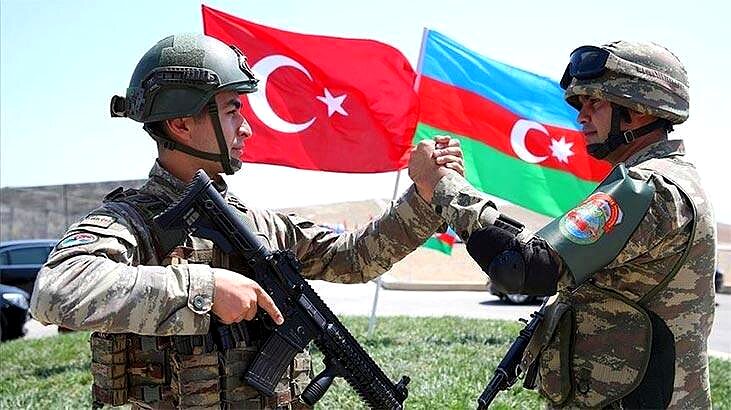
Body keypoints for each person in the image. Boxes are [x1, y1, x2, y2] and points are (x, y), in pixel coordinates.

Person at [29, 33, 464, 409]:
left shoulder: (258, 226)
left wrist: (423, 195)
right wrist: (205, 288)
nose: (247, 129)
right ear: (181, 123)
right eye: (232, 111)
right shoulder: (133, 223)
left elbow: (353, 258)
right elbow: (56, 291)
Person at [409, 40, 716, 408]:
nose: (581, 117)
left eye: (594, 103)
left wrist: (442, 186)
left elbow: (525, 267)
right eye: (580, 105)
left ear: (638, 110)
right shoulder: (660, 180)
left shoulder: (648, 188)